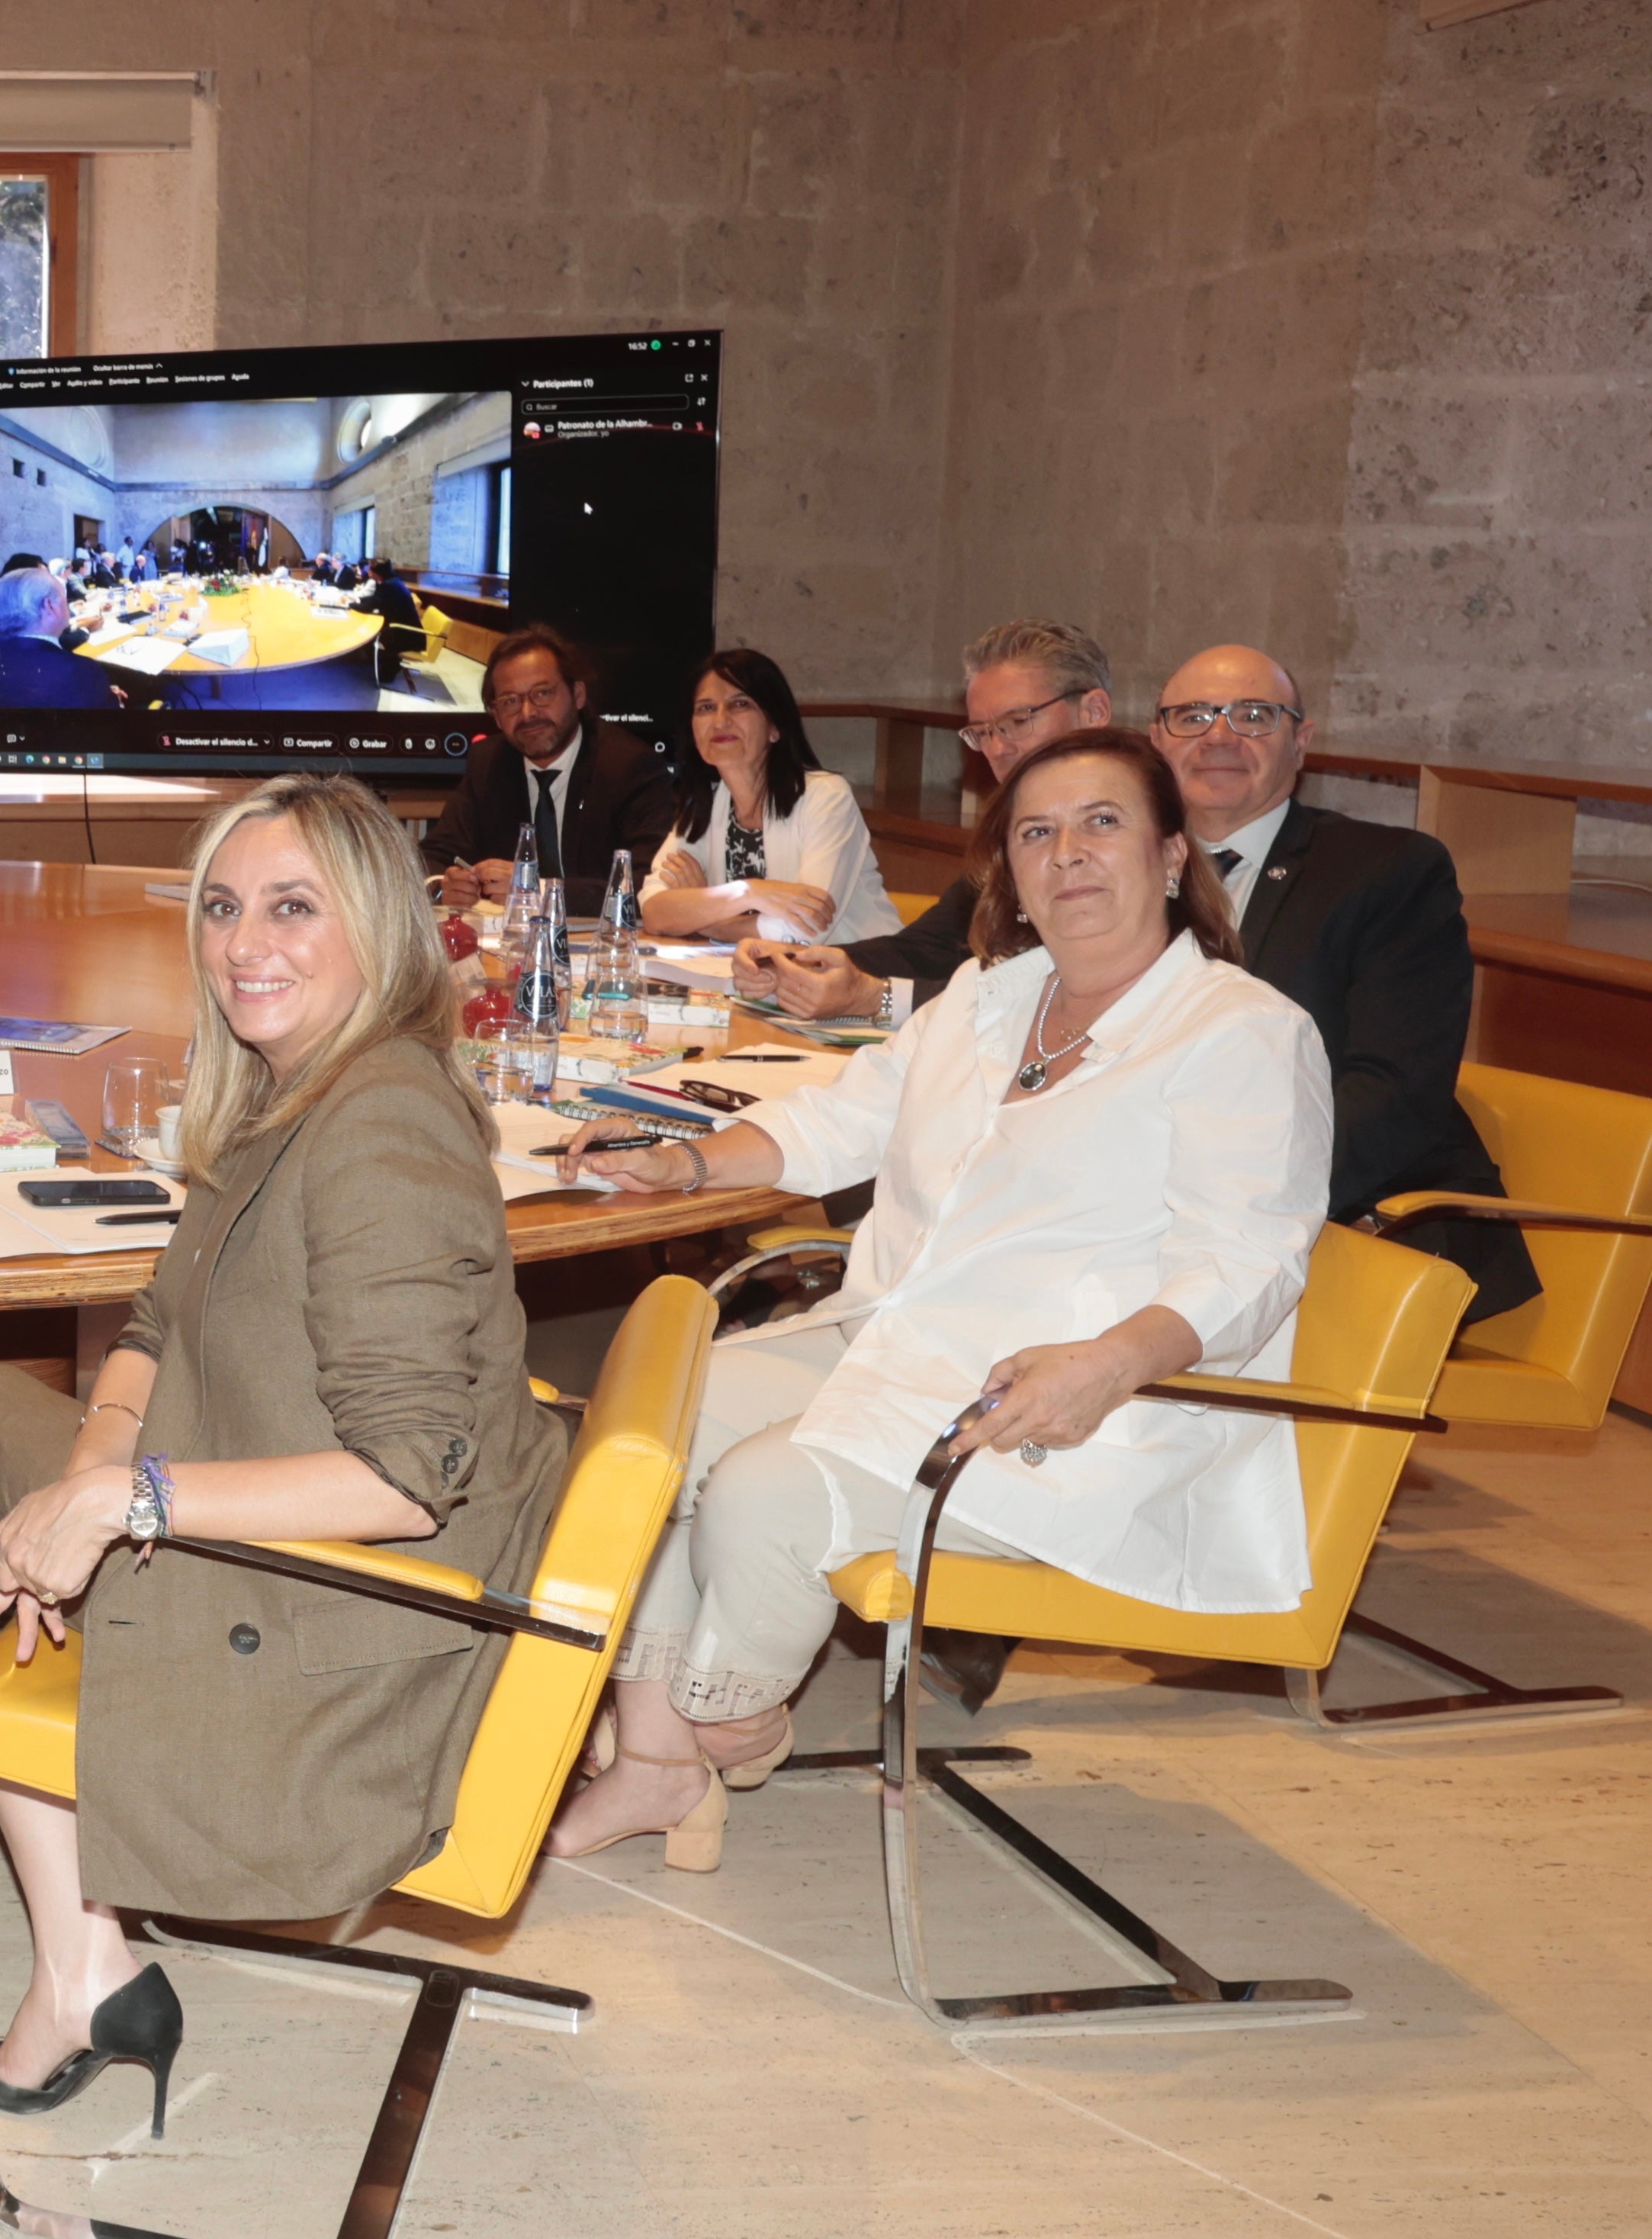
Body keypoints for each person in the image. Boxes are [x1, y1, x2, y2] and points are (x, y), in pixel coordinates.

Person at [0, 774, 568, 2123]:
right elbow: (151, 1320)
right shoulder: (298, 1082)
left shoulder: (380, 1129)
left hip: (345, 1627)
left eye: (289, 907)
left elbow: (401, 1478)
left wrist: (124, 1500)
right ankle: (75, 1949)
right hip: (293, 1534)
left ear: (378, 925)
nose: (241, 942)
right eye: (220, 907)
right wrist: (94, 1467)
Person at [540, 729, 1330, 1867]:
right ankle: (657, 1760)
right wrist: (693, 1161)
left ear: (1169, 856)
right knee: (660, 1415)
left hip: (1076, 1399)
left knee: (762, 1498)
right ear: (1006, 870)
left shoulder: (1243, 1032)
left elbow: (1249, 1262)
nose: (1067, 855)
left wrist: (1107, 1363)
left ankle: (723, 1718)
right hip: (903, 1343)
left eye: (1101, 823)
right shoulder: (985, 998)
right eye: (1035, 833)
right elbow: (842, 1117)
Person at [1149, 645, 1536, 1320]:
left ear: (1300, 742)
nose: (1218, 736)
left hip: (1345, 1214)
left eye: (1252, 715)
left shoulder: (1387, 871)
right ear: (1155, 741)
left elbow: (1391, 1091)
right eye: (1192, 716)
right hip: (1157, 1200)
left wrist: (1235, 1201)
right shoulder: (1114, 868)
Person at [731, 617, 1116, 1018]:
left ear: (1093, 712)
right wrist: (797, 961)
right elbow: (926, 949)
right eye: (983, 732)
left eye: (1018, 722)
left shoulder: (1131, 840)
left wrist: (875, 998)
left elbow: (1048, 999)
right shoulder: (1005, 834)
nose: (998, 749)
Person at [640, 648, 902, 944]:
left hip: (866, 976)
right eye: (706, 708)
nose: (720, 721)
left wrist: (709, 920)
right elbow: (654, 911)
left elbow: (806, 927)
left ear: (775, 726)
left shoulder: (826, 798)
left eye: (740, 704)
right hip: (766, 981)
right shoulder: (707, 805)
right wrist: (748, 892)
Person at [417, 627, 680, 916]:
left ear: (578, 694)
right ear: (495, 715)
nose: (528, 713)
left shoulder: (628, 766)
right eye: (510, 701)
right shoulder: (488, 762)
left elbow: (648, 883)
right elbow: (433, 856)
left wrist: (535, 890)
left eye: (542, 694)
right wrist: (442, 886)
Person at [0, 565, 129, 713]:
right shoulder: (79, 671)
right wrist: (109, 697)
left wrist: (97, 691)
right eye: (63, 598)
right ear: (50, 606)